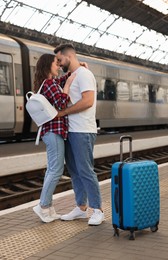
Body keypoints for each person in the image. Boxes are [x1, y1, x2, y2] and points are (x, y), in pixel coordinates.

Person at [54, 43, 104, 226]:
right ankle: (81, 207)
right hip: (71, 130)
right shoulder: (72, 75)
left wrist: (63, 113)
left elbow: (88, 101)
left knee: (85, 170)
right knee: (75, 171)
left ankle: (97, 209)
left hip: (83, 130)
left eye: (60, 60)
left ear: (69, 57)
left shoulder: (84, 75)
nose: (58, 64)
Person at [32, 53, 75, 223]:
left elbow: (60, 81)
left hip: (51, 132)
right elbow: (61, 103)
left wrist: (70, 75)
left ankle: (48, 207)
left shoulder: (49, 83)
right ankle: (42, 206)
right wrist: (69, 84)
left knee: (52, 169)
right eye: (55, 64)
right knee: (56, 170)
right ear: (47, 66)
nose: (58, 66)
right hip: (54, 131)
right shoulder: (49, 83)